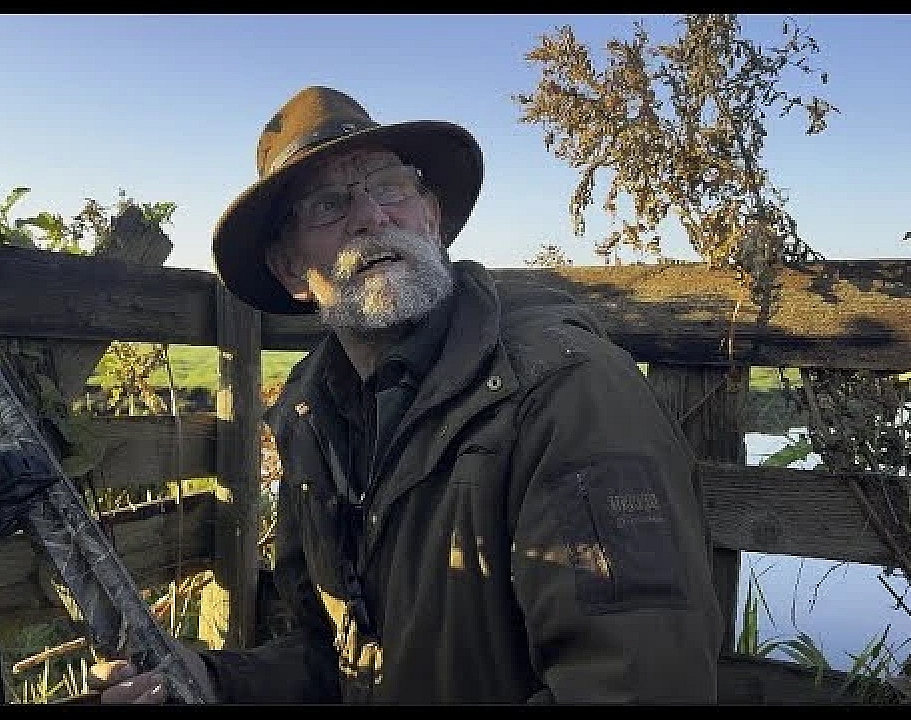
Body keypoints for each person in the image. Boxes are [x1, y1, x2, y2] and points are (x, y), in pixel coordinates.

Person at [87, 85, 723, 704]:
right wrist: (215, 685)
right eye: (328, 204)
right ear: (290, 271)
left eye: (390, 185)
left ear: (432, 218)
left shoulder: (565, 391)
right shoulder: (313, 420)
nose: (372, 216)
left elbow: (639, 683)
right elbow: (328, 661)